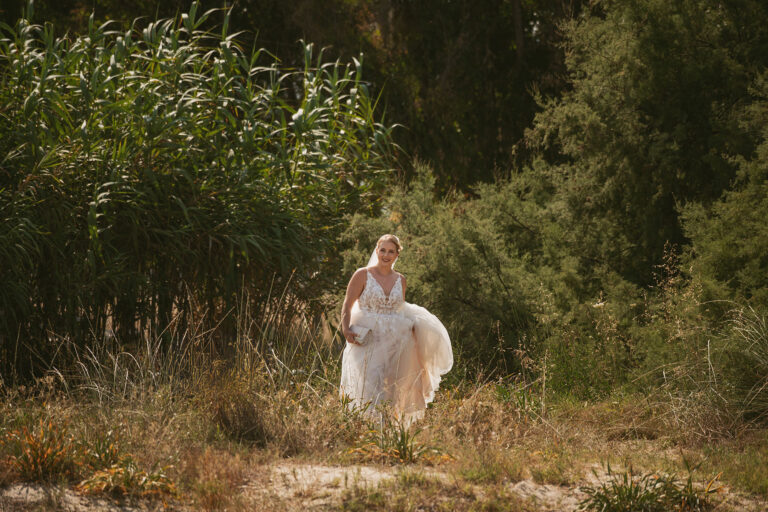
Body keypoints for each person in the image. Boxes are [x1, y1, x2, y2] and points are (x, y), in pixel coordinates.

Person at [339, 234, 453, 425]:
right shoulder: (362, 274)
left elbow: (399, 309)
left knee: (392, 386)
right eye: (382, 250)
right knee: (369, 382)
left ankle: (388, 429)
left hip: (396, 340)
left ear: (397, 254)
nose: (386, 255)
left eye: (391, 251)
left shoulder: (401, 279)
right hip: (368, 338)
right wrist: (345, 328)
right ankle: (367, 426)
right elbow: (347, 303)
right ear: (377, 251)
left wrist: (415, 329)